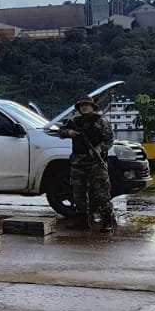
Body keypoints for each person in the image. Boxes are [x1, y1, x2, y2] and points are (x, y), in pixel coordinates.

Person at [55, 98, 115, 232]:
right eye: (82, 106)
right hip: (78, 163)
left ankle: (107, 222)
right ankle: (82, 221)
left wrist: (99, 149)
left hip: (96, 163)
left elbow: (110, 139)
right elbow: (60, 131)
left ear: (92, 107)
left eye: (87, 105)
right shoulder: (75, 122)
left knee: (102, 193)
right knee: (78, 194)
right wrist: (68, 132)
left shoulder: (100, 121)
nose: (84, 108)